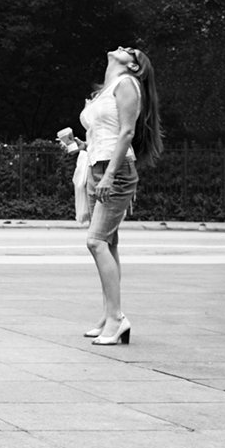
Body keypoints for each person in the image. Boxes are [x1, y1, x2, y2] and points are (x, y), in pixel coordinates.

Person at [79, 46, 162, 345]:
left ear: (135, 67)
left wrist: (110, 175)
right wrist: (81, 147)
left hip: (116, 170)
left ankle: (117, 319)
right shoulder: (105, 90)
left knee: (96, 241)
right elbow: (103, 134)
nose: (124, 48)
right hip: (96, 166)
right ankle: (108, 315)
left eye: (132, 51)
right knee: (108, 243)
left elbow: (126, 132)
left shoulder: (128, 84)